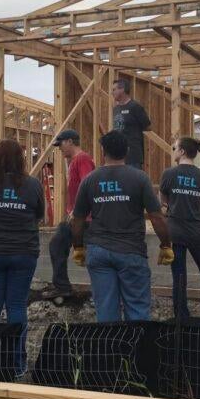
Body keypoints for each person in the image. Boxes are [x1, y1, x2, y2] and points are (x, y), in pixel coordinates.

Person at [71, 130, 172, 322]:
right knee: (137, 310)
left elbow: (78, 219)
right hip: (131, 252)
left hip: (98, 251)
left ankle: (111, 351)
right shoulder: (140, 178)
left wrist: (78, 247)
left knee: (106, 311)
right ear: (126, 151)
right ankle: (138, 351)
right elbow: (157, 217)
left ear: (103, 151)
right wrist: (166, 244)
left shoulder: (90, 180)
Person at [0, 139, 45, 373]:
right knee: (16, 306)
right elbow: (40, 215)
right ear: (21, 159)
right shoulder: (33, 185)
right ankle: (16, 364)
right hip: (23, 252)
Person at [160, 137, 200, 320]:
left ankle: (181, 320)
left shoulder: (168, 174)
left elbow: (163, 200)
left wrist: (174, 207)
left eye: (174, 147)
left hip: (175, 232)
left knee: (179, 278)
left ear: (182, 151)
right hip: (197, 233)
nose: (173, 150)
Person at [40, 129, 95, 302]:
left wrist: (78, 212)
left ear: (70, 141)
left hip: (84, 219)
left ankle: (100, 290)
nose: (60, 149)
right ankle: (62, 287)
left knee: (91, 256)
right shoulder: (74, 161)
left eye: (61, 144)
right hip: (76, 218)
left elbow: (88, 186)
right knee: (57, 245)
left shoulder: (83, 159)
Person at [111, 79, 151, 171]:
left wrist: (133, 130)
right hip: (118, 155)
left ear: (122, 89)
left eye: (114, 89)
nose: (112, 92)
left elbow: (148, 126)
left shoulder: (135, 107)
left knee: (133, 182)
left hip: (133, 156)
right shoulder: (116, 109)